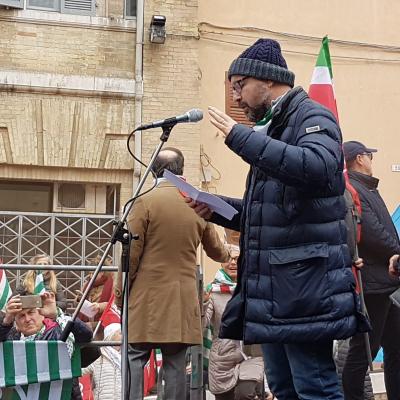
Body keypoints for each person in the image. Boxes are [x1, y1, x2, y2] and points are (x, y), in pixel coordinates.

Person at [187, 38, 367, 399]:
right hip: (275, 289)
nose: (235, 97)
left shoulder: (313, 116)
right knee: (284, 388)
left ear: (266, 82)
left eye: (239, 85)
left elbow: (318, 168)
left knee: (313, 386)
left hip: (303, 288)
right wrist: (216, 206)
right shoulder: (275, 127)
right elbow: (272, 213)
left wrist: (241, 139)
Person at [117, 147, 230, 400]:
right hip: (181, 300)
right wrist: (230, 254)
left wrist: (119, 294)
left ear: (153, 169)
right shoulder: (196, 204)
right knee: (176, 364)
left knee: (135, 360)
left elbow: (130, 255)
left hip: (144, 299)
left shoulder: (143, 201)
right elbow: (217, 252)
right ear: (182, 169)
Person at [342, 141, 400, 400]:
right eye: (369, 155)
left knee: (395, 347)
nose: (371, 160)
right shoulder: (353, 189)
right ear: (359, 159)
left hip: (385, 284)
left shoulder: (366, 188)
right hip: (373, 284)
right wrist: (396, 251)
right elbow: (373, 232)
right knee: (363, 352)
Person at [203, 244, 270, 400]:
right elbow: (201, 326)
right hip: (223, 359)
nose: (232, 263)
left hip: (251, 354)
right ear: (221, 262)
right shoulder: (212, 291)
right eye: (228, 258)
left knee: (244, 394)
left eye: (237, 259)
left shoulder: (256, 286)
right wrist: (203, 304)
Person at [0, 290, 93, 400]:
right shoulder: (10, 336)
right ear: (15, 321)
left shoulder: (59, 328)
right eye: (21, 316)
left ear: (41, 313)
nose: (27, 319)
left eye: (31, 312)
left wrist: (56, 314)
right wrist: (6, 321)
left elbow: (86, 335)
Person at [82, 323, 122, 400]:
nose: (124, 335)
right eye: (120, 333)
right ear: (111, 335)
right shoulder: (98, 355)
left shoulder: (126, 355)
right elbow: (80, 371)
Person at [76, 255, 114, 329]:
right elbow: (77, 306)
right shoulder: (87, 284)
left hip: (102, 323)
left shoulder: (111, 284)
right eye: (89, 273)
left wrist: (99, 306)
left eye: (93, 273)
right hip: (86, 322)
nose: (90, 276)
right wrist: (79, 299)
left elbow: (113, 304)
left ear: (102, 272)